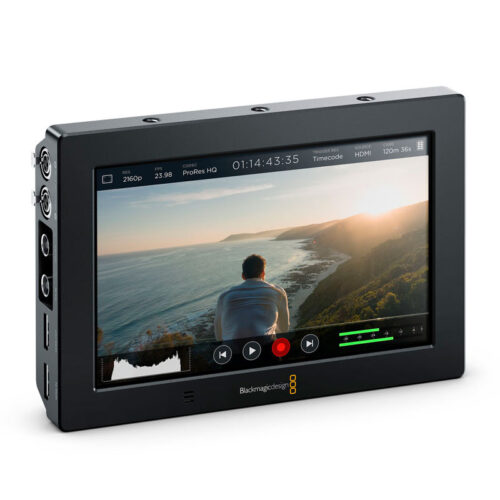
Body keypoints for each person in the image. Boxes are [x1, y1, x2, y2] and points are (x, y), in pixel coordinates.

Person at [214, 254, 290, 341]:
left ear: (243, 276)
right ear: (263, 273)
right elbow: (284, 328)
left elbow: (218, 331)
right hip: (266, 346)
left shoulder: (225, 296)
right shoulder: (277, 292)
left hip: (233, 348)